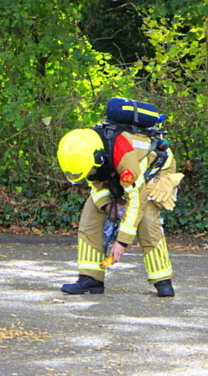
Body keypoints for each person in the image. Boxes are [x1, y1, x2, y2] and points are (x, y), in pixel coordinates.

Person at [56, 124, 183, 297]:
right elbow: (96, 182)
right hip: (123, 175)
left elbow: (136, 199)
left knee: (147, 219)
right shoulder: (88, 149)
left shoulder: (124, 156)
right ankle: (91, 278)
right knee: (91, 215)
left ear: (99, 159)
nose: (91, 173)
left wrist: (122, 242)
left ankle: (162, 280)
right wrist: (108, 205)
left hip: (154, 173)